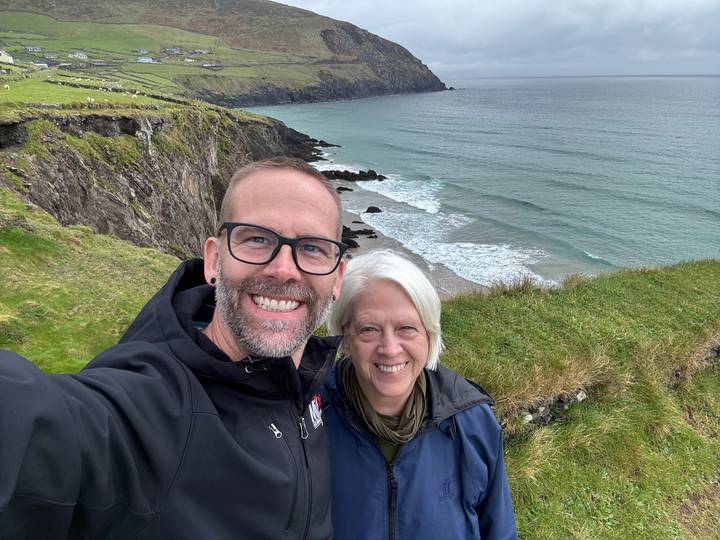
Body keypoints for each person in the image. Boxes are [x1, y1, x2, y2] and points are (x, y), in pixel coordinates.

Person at [0, 157, 347, 539]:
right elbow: (38, 426)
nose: (284, 269)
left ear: (337, 278)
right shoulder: (149, 406)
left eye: (313, 248)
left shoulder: (315, 383)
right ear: (214, 259)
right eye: (257, 239)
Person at [324, 249, 518, 540]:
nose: (389, 348)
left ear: (429, 336)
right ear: (345, 338)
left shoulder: (472, 423)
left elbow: (499, 532)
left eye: (407, 328)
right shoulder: (307, 417)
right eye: (369, 329)